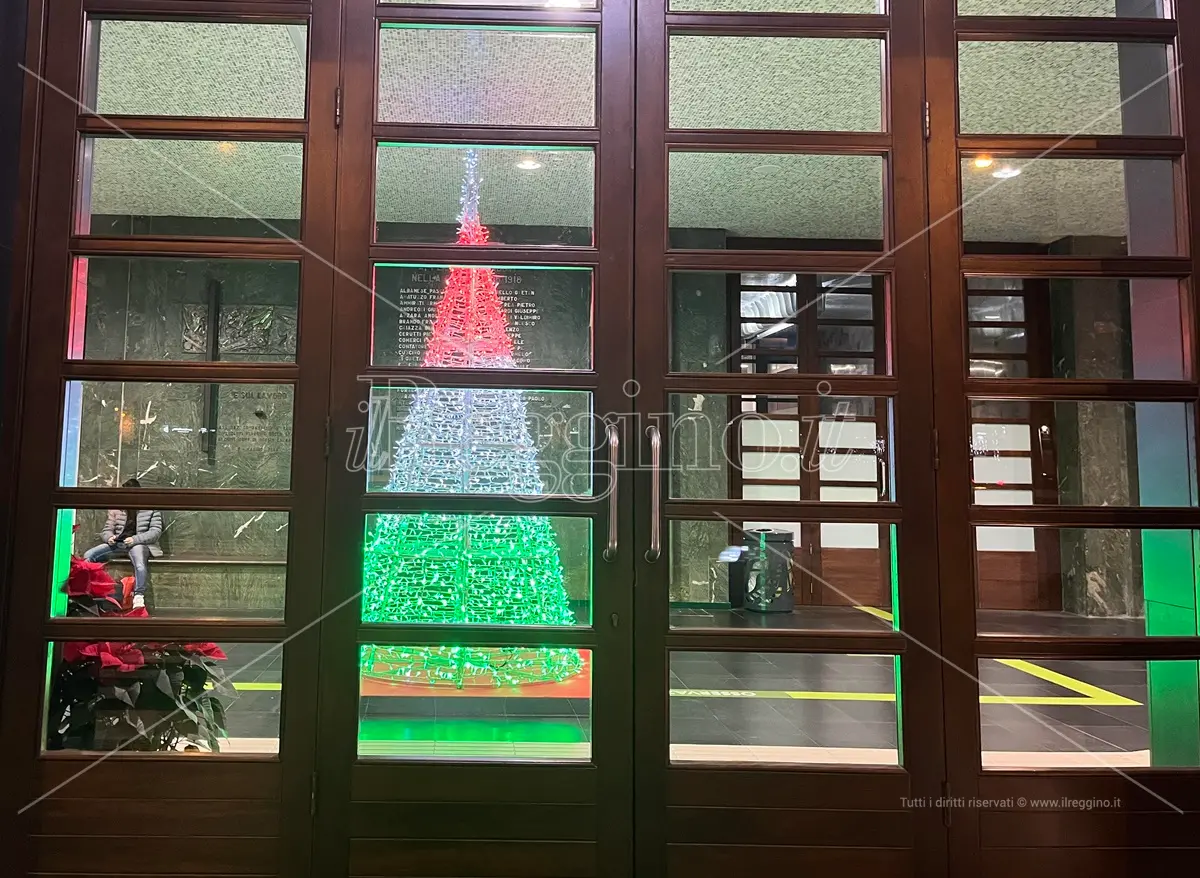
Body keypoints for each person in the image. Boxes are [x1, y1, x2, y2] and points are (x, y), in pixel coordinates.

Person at [81, 478, 163, 611]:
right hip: (119, 544)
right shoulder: (116, 509)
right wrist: (109, 538)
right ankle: (89, 590)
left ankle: (138, 595)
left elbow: (155, 532)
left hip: (138, 544)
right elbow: (106, 530)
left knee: (140, 565)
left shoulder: (150, 508)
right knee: (89, 555)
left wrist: (135, 539)